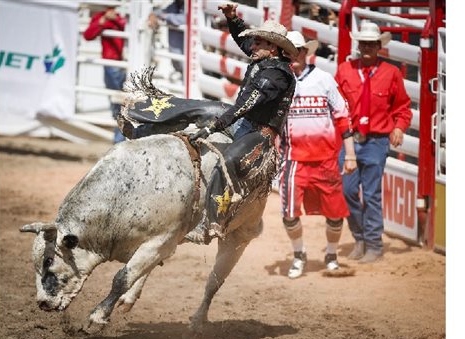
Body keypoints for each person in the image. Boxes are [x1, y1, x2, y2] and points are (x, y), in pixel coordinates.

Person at [186, 3, 298, 244]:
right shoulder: (266, 59)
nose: (252, 46)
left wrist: (214, 126)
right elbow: (242, 41)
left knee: (227, 161)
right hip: (244, 122)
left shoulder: (276, 76)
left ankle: (212, 222)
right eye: (255, 42)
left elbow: (245, 105)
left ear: (273, 48)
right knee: (198, 109)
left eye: (258, 42)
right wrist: (231, 17)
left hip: (259, 134)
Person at [279, 31, 357, 279]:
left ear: (305, 52)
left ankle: (331, 254)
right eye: (287, 50)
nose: (293, 55)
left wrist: (351, 155)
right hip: (293, 160)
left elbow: (343, 117)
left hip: (325, 160)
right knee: (289, 213)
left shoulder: (324, 79)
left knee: (335, 214)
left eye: (297, 50)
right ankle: (299, 254)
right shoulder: (279, 81)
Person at [334, 21, 412, 264]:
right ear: (359, 45)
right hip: (350, 140)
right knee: (346, 191)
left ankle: (374, 244)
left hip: (376, 142)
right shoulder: (345, 70)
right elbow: (335, 103)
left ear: (379, 46)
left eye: (371, 44)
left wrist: (399, 127)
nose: (367, 47)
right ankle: (360, 238)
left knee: (371, 194)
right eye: (363, 43)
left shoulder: (391, 73)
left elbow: (402, 107)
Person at [83, 6, 128, 144]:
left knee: (124, 104)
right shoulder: (104, 15)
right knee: (119, 103)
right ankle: (119, 140)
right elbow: (88, 35)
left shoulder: (125, 13)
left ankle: (120, 140)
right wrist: (104, 19)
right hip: (114, 64)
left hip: (123, 64)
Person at [148, 0, 186, 79]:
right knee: (179, 69)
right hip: (177, 56)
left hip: (187, 54)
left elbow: (184, 19)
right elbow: (161, 12)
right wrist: (153, 14)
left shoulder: (190, 6)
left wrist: (164, 16)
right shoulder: (175, 5)